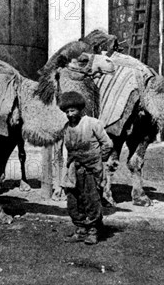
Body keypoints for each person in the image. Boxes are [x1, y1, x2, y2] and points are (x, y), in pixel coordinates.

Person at [58, 91, 113, 245]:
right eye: (67, 112)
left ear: (80, 109)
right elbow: (66, 150)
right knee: (74, 201)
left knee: (91, 199)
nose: (70, 114)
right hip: (73, 168)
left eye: (73, 110)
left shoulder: (92, 123)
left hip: (91, 168)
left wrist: (98, 161)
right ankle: (81, 230)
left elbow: (107, 144)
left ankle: (93, 231)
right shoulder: (66, 127)